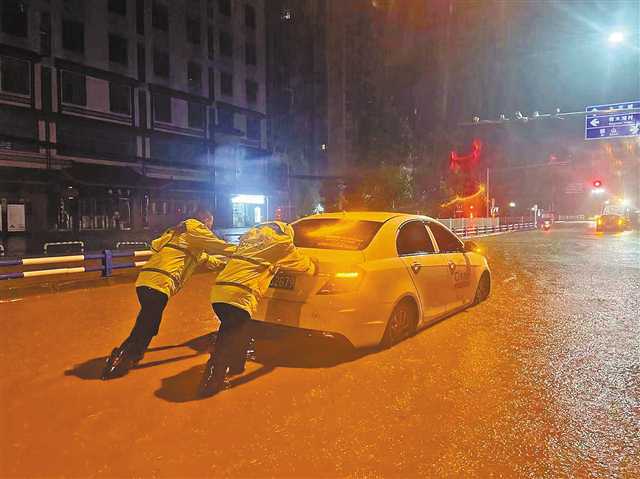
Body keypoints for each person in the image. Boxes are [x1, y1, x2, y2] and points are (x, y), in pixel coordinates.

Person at [101, 209, 236, 379]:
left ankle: (131, 356)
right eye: (210, 224)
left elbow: (210, 260)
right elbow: (220, 246)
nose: (210, 229)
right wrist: (246, 252)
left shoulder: (181, 238)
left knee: (148, 322)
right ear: (205, 221)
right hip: (159, 282)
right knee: (147, 324)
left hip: (145, 281)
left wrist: (227, 265)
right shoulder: (195, 228)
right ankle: (121, 358)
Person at [198, 221, 318, 397]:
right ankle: (212, 381)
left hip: (219, 292)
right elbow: (304, 265)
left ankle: (237, 366)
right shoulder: (282, 244)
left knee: (240, 330)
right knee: (227, 337)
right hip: (241, 294)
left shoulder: (249, 240)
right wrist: (314, 266)